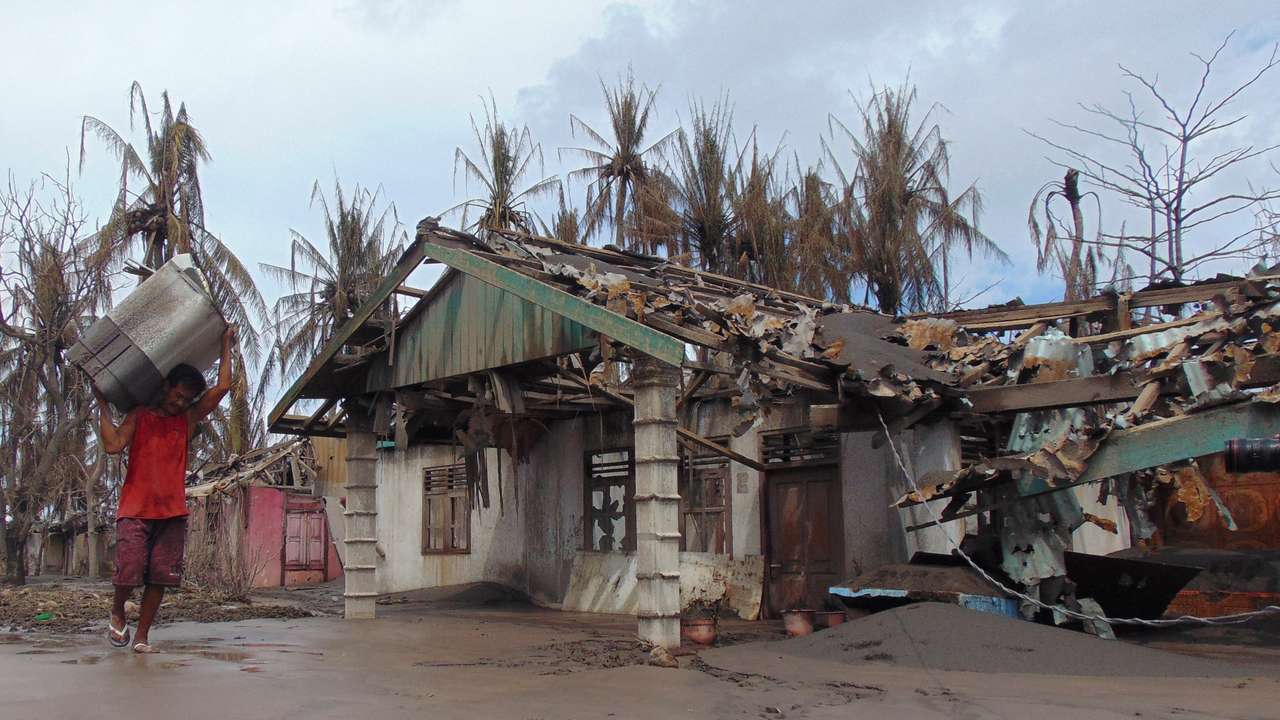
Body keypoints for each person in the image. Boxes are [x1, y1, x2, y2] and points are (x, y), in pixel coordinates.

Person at [95, 326, 237, 653]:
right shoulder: (141, 415)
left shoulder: (186, 420)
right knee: (129, 570)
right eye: (177, 395)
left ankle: (142, 637)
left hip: (172, 512)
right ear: (166, 387)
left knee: (161, 577)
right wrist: (103, 407)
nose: (180, 402)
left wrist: (225, 343)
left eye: (186, 399)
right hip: (135, 509)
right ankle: (118, 610)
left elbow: (224, 386)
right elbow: (114, 444)